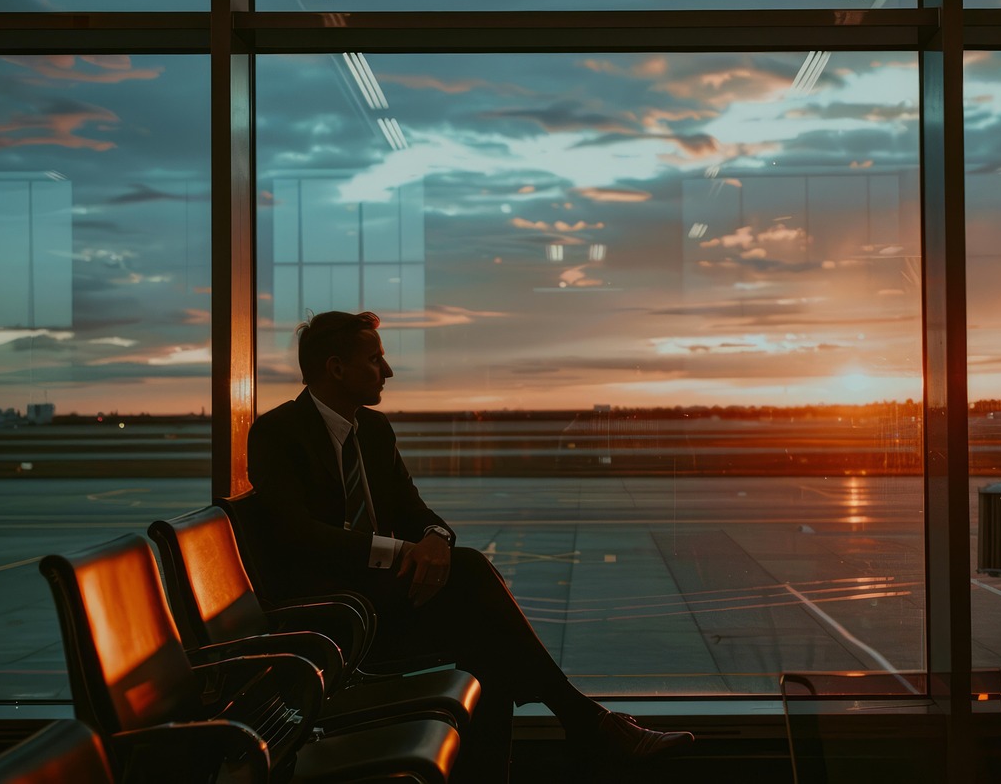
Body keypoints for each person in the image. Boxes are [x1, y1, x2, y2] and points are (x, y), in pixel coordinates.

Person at [246, 310, 694, 781]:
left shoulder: (375, 433)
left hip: (385, 601)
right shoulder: (278, 433)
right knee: (478, 592)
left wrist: (436, 540)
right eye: (376, 359)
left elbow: (416, 513)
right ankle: (587, 724)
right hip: (332, 617)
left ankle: (583, 725)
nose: (389, 370)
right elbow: (295, 536)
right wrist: (402, 552)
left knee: (488, 644)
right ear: (335, 368)